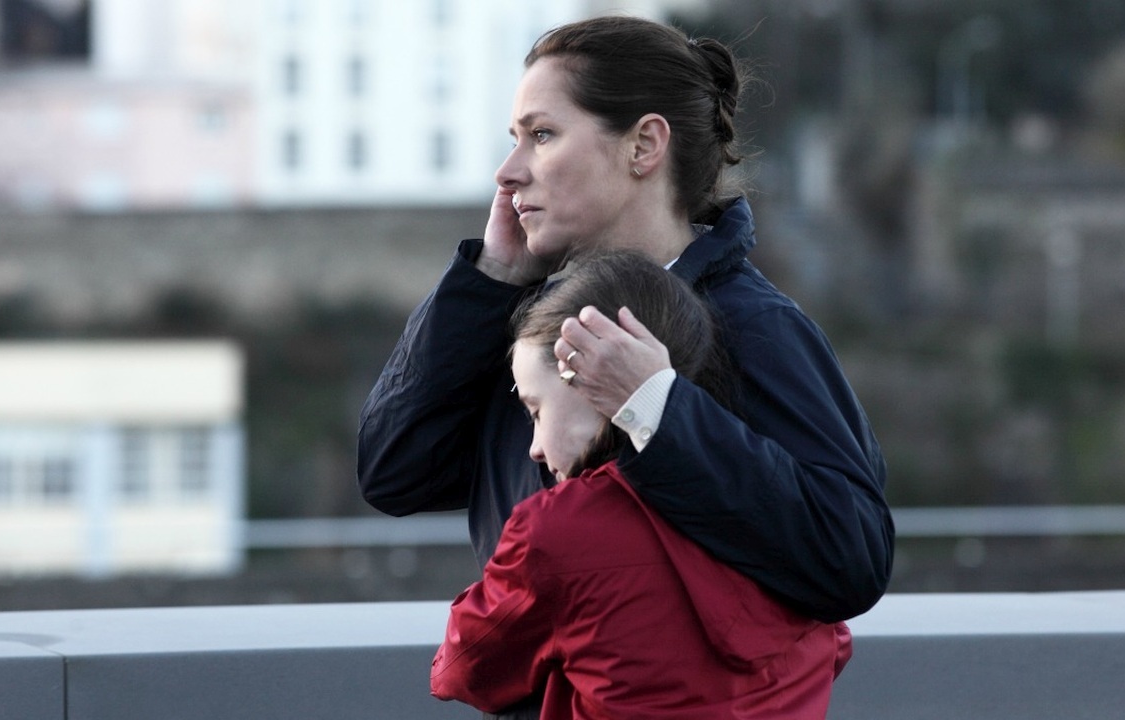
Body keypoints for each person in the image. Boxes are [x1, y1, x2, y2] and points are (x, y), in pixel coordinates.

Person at [357, 13, 892, 705]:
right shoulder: (527, 328)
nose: (508, 172)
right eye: (515, 139)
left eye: (541, 135)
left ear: (644, 145)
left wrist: (659, 411)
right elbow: (394, 472)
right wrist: (489, 280)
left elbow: (850, 555)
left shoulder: (756, 328)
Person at [430, 251, 853, 719]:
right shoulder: (789, 532)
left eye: (536, 412)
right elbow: (832, 646)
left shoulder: (555, 532)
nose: (533, 448)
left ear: (586, 379)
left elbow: (463, 668)